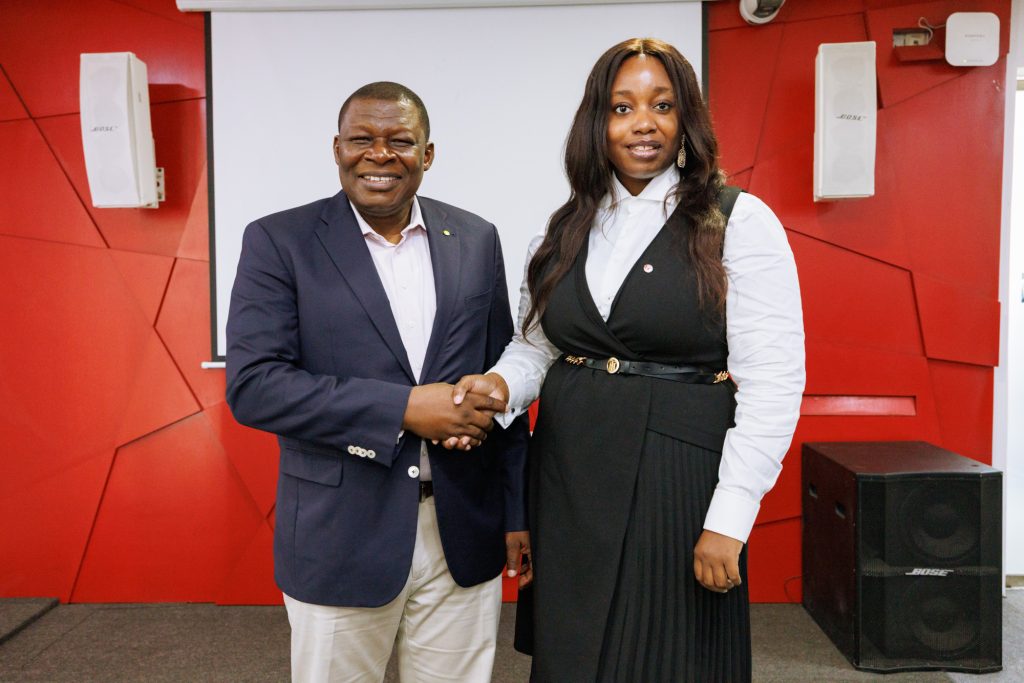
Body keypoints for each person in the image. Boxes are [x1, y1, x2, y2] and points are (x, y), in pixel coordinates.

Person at [450, 39, 805, 682]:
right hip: (569, 478)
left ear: (686, 119)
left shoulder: (737, 222)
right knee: (576, 656)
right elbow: (539, 345)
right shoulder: (560, 230)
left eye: (662, 105)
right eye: (622, 106)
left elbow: (774, 380)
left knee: (668, 658)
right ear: (598, 123)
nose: (643, 122)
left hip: (680, 481)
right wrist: (500, 386)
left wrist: (730, 517)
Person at [225, 81, 530, 683]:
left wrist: (516, 509)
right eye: (362, 139)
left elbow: (503, 379)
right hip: (340, 534)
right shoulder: (279, 241)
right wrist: (403, 408)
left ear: (428, 154)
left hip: (463, 530)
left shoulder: (475, 238)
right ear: (336, 147)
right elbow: (255, 385)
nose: (380, 154)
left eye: (400, 141)